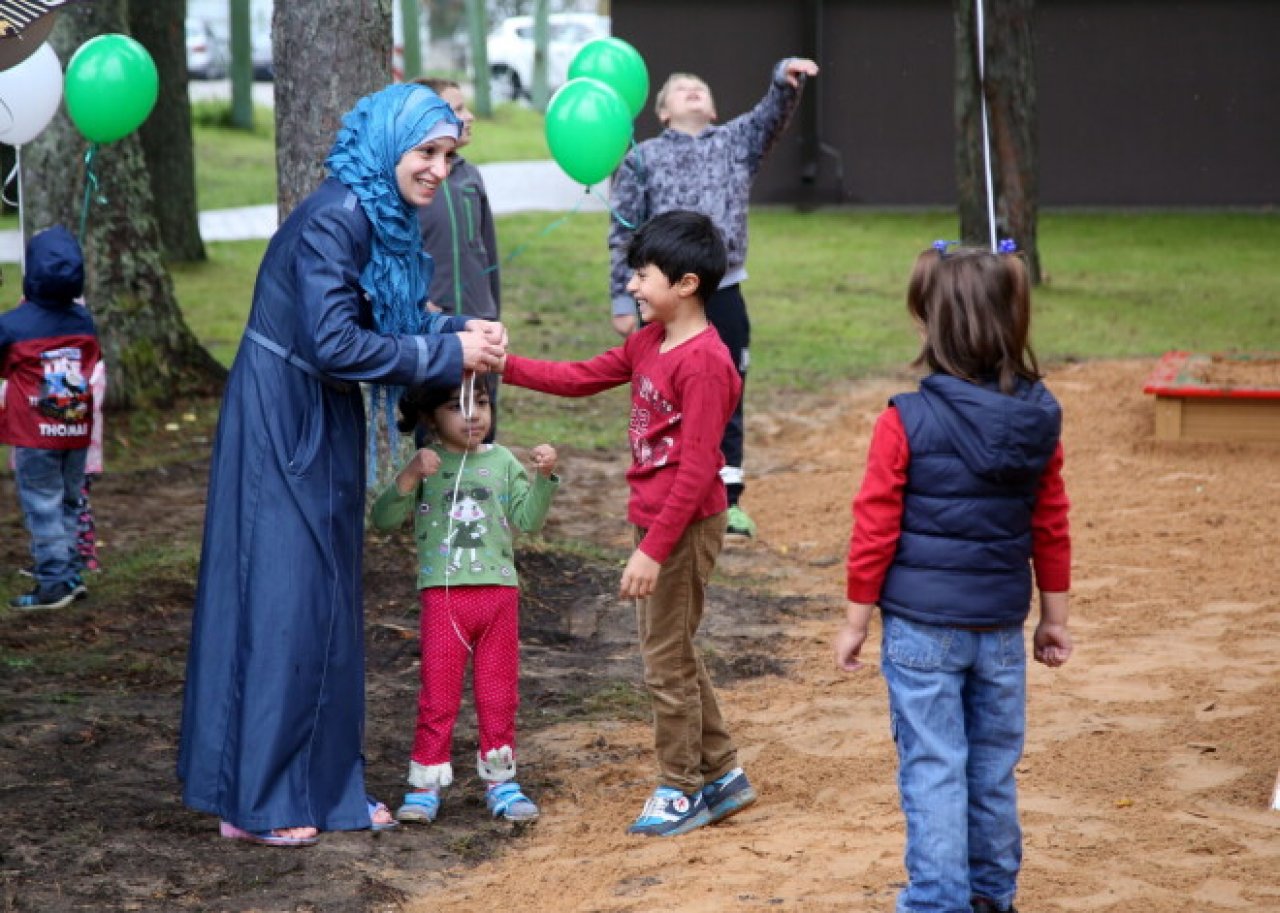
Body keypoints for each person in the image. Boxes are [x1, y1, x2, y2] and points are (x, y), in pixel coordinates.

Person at [177, 83, 508, 849]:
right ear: (388, 143)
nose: (436, 168)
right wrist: (447, 350)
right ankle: (256, 799)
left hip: (322, 410)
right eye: (425, 152)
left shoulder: (383, 215)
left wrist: (461, 328)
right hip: (282, 411)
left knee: (327, 600)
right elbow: (334, 342)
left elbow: (385, 321)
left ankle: (327, 789)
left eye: (447, 155)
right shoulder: (337, 215)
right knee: (283, 599)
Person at [500, 210, 757, 837]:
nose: (633, 286)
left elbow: (698, 469)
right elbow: (580, 377)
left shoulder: (704, 363)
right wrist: (501, 365)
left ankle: (681, 788)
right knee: (674, 650)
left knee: (663, 659)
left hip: (684, 527)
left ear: (687, 283)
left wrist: (653, 551)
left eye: (643, 275)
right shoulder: (650, 342)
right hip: (655, 524)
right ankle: (722, 772)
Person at [833, 242, 1074, 913]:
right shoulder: (1038, 420)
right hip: (999, 628)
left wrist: (856, 620)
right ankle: (992, 895)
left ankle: (938, 901)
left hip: (919, 630)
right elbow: (1050, 523)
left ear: (933, 327)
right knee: (992, 771)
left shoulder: (903, 419)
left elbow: (872, 527)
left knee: (935, 768)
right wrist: (1053, 617)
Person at [607, 57, 820, 540]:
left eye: (699, 86)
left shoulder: (735, 144)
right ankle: (662, 492)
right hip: (662, 300)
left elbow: (771, 114)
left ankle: (727, 499)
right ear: (662, 112)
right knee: (661, 397)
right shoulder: (642, 159)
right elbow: (621, 235)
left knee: (727, 391)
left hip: (722, 293)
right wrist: (623, 299)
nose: (692, 91)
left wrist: (782, 78)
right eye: (680, 88)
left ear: (715, 108)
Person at [369, 377, 558, 825]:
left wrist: (544, 479)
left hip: (499, 597)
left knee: (498, 694)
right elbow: (383, 520)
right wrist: (410, 475)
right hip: (444, 599)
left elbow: (528, 521)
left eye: (483, 403)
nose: (473, 415)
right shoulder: (427, 465)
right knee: (439, 694)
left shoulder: (503, 461)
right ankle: (425, 784)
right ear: (431, 417)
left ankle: (501, 782)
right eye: (457, 407)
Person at [0, 226, 100, 610]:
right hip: (75, 429)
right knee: (70, 501)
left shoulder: (12, 325)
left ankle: (54, 581)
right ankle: (69, 571)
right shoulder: (84, 322)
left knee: (41, 503)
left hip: (35, 434)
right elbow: (90, 360)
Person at [412, 77, 503, 441]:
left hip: (479, 324)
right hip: (433, 330)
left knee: (481, 416)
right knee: (436, 422)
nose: (470, 116)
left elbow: (489, 250)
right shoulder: (412, 181)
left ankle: (486, 494)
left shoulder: (470, 177)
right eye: (458, 108)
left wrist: (492, 313)